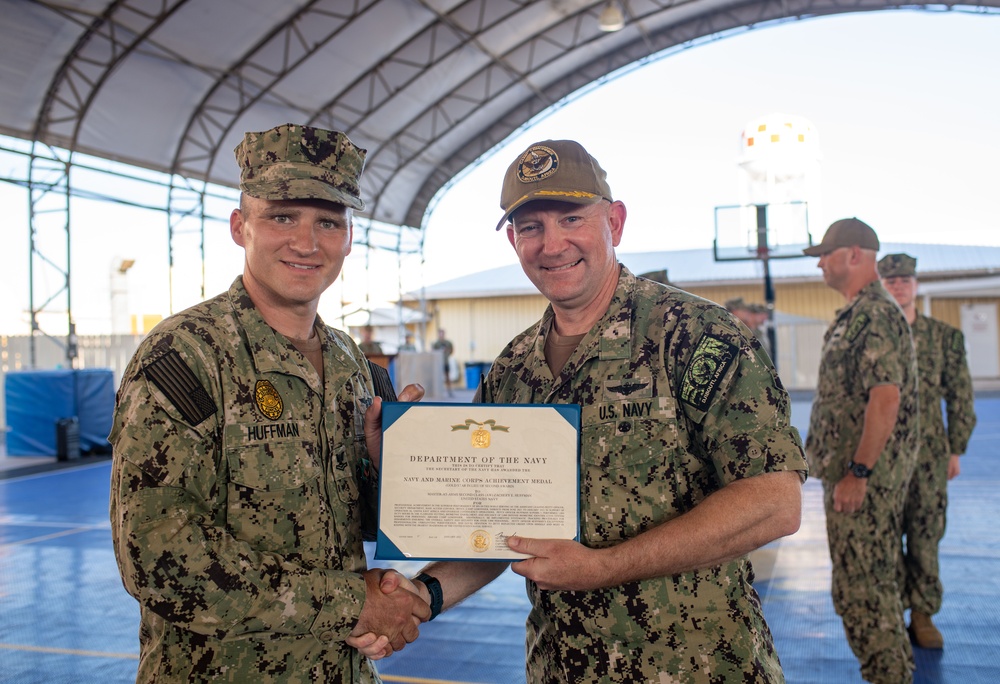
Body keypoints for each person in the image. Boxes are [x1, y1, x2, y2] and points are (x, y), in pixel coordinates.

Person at [382, 139, 808, 682]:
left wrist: (605, 568)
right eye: (530, 227)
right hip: (562, 668)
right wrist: (424, 593)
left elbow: (774, 502)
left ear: (615, 221)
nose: (551, 244)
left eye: (571, 218)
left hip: (697, 668)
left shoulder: (697, 336)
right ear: (514, 240)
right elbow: (495, 529)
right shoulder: (513, 370)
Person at [108, 123, 430, 683]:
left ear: (350, 237)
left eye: (329, 222)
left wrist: (388, 469)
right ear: (241, 227)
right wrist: (353, 603)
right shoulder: (187, 357)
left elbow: (359, 519)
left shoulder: (353, 364)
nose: (307, 243)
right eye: (283, 217)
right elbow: (158, 559)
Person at [803, 219, 919, 683]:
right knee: (868, 585)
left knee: (864, 592)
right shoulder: (860, 312)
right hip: (859, 479)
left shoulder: (872, 313)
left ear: (853, 255)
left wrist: (858, 472)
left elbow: (885, 398)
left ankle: (889, 675)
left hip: (864, 484)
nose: (819, 262)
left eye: (825, 253)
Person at [878, 253, 976, 649]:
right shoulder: (873, 334)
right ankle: (890, 615)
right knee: (883, 535)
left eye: (904, 280)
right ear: (881, 285)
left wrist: (956, 449)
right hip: (881, 455)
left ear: (915, 284)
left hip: (929, 453)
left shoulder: (944, 336)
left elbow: (960, 395)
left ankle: (922, 615)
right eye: (890, 280)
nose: (898, 286)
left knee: (924, 532)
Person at [431, 328, 454, 396]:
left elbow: (451, 350)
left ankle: (449, 391)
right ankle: (438, 392)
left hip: (446, 362)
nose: (441, 335)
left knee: (447, 377)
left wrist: (446, 353)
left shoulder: (448, 343)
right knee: (438, 377)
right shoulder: (436, 343)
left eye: (442, 333)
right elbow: (433, 352)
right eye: (440, 333)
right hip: (438, 363)